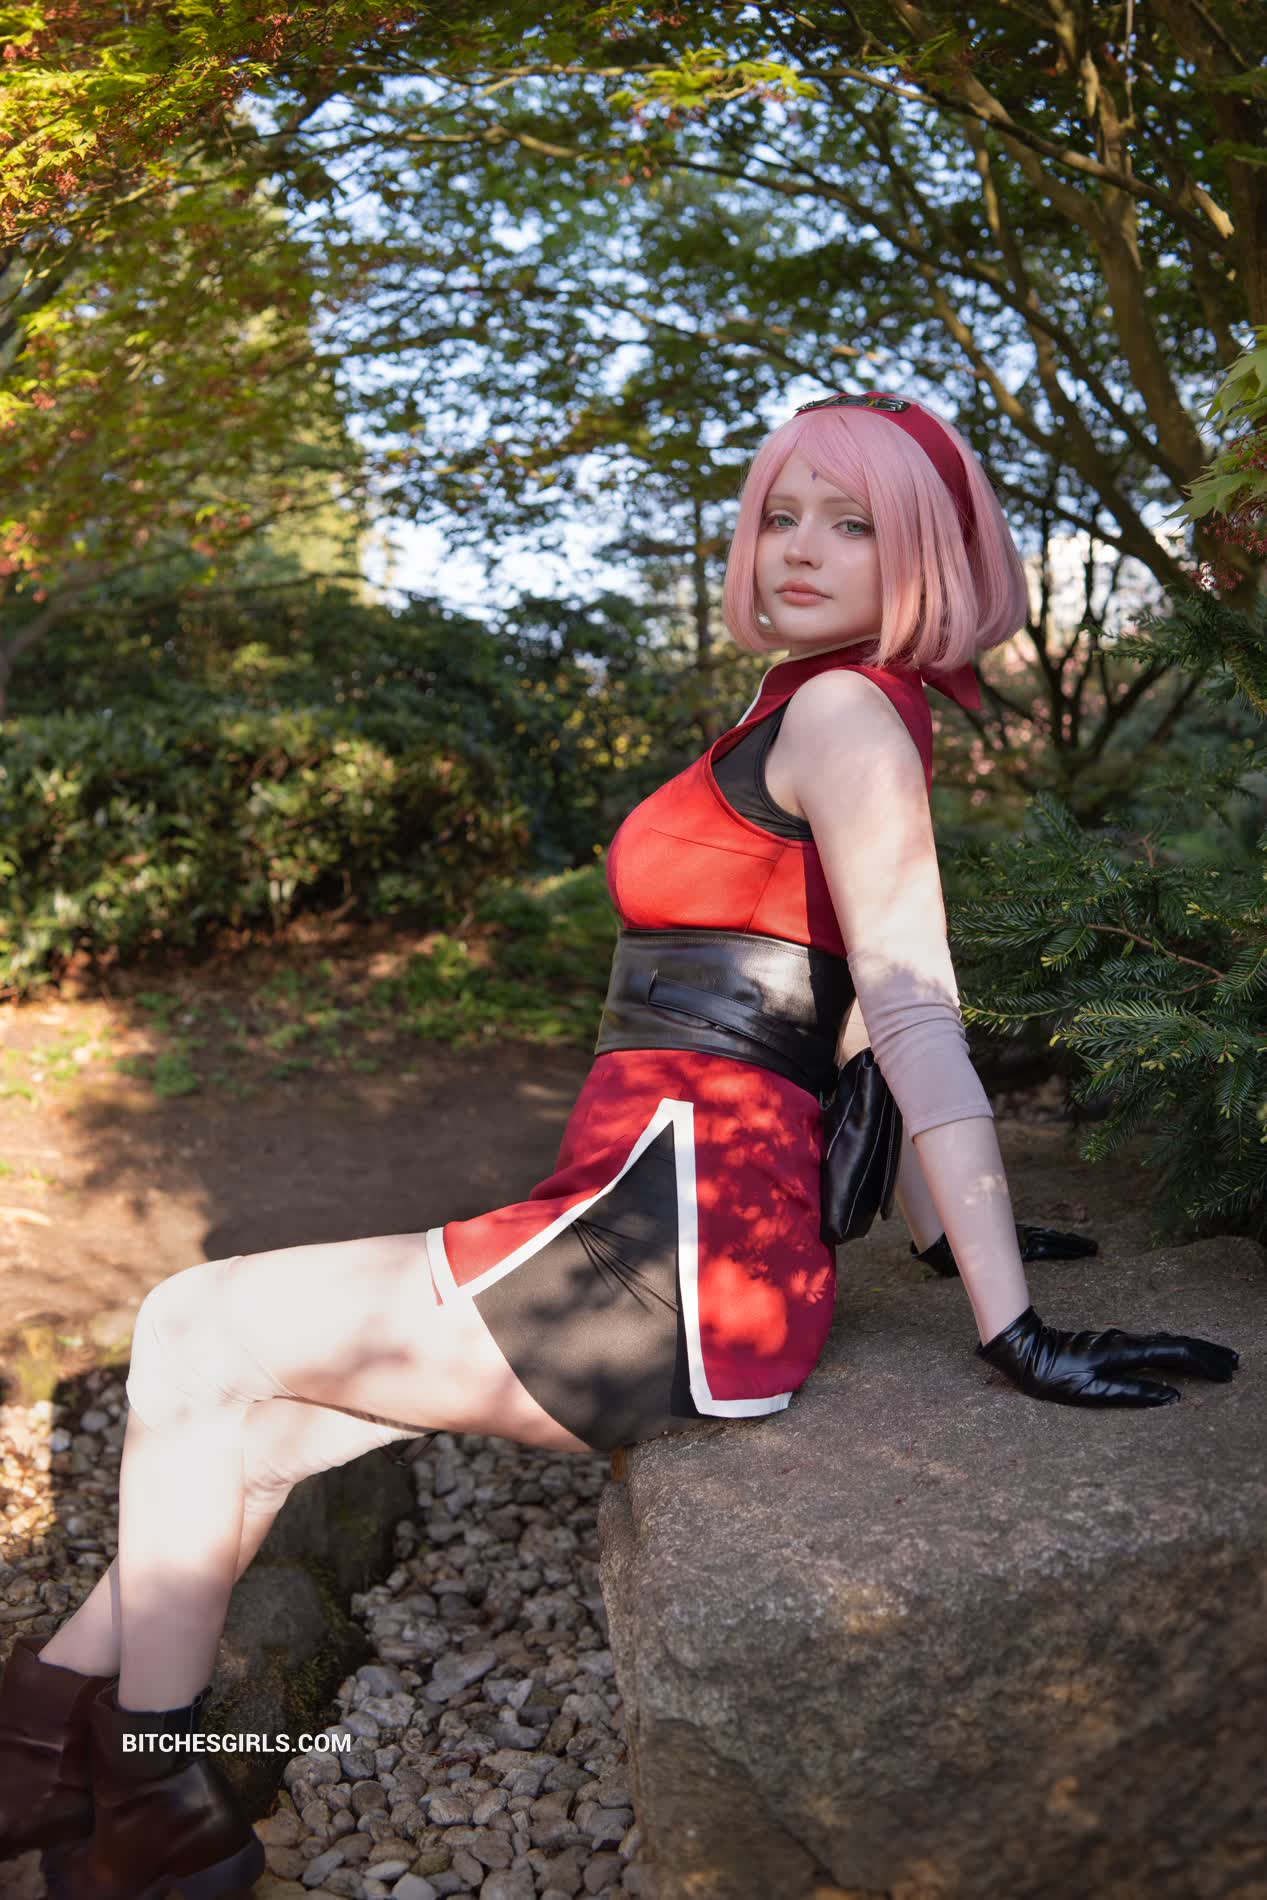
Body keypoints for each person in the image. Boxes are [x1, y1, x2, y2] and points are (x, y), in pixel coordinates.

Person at [0, 391, 1240, 1899]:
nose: (797, 548)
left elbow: (912, 1010)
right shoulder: (809, 704)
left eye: (852, 524)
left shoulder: (846, 716)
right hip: (635, 1216)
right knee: (245, 1433)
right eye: (782, 514)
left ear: (923, 551)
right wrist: (938, 1233)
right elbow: (845, 1017)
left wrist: (1013, 1327)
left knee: (192, 1324)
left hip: (671, 1260)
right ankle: (52, 1756)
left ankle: (147, 1798)